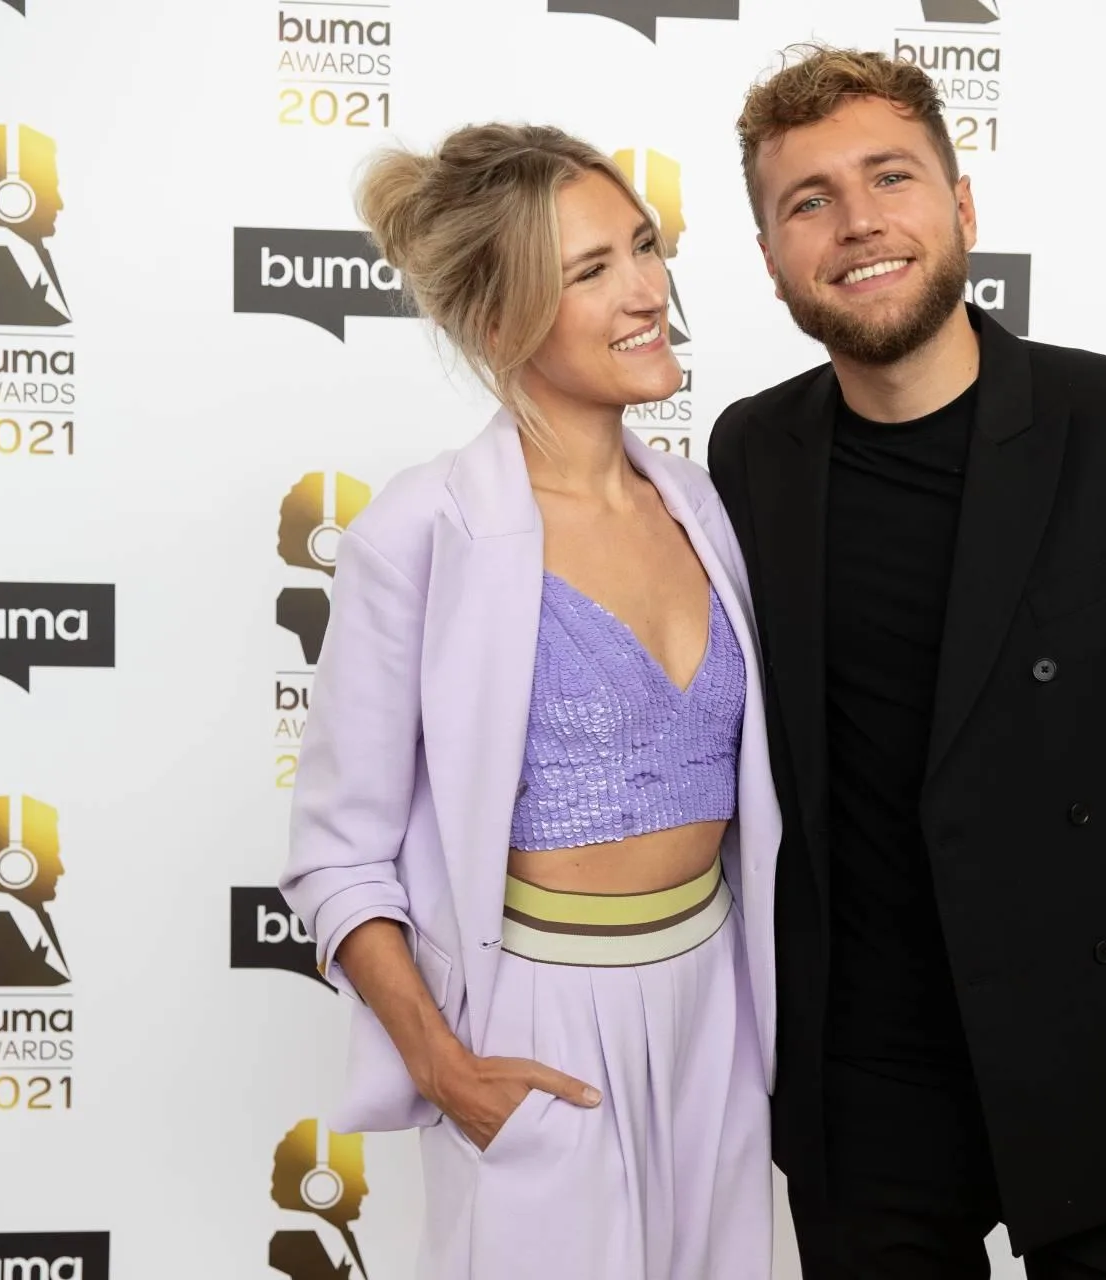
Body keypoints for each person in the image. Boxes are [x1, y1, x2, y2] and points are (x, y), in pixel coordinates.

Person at [708, 45, 1106, 1278]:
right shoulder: (750, 453)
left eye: (891, 177)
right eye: (809, 200)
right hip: (866, 1087)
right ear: (770, 255)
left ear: (963, 205)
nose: (858, 221)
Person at [278, 121, 781, 1280]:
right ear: (502, 325)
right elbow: (336, 857)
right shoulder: (424, 529)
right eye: (592, 271)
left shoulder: (706, 504)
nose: (647, 290)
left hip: (715, 1013)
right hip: (540, 1027)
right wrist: (446, 1067)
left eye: (643, 247)